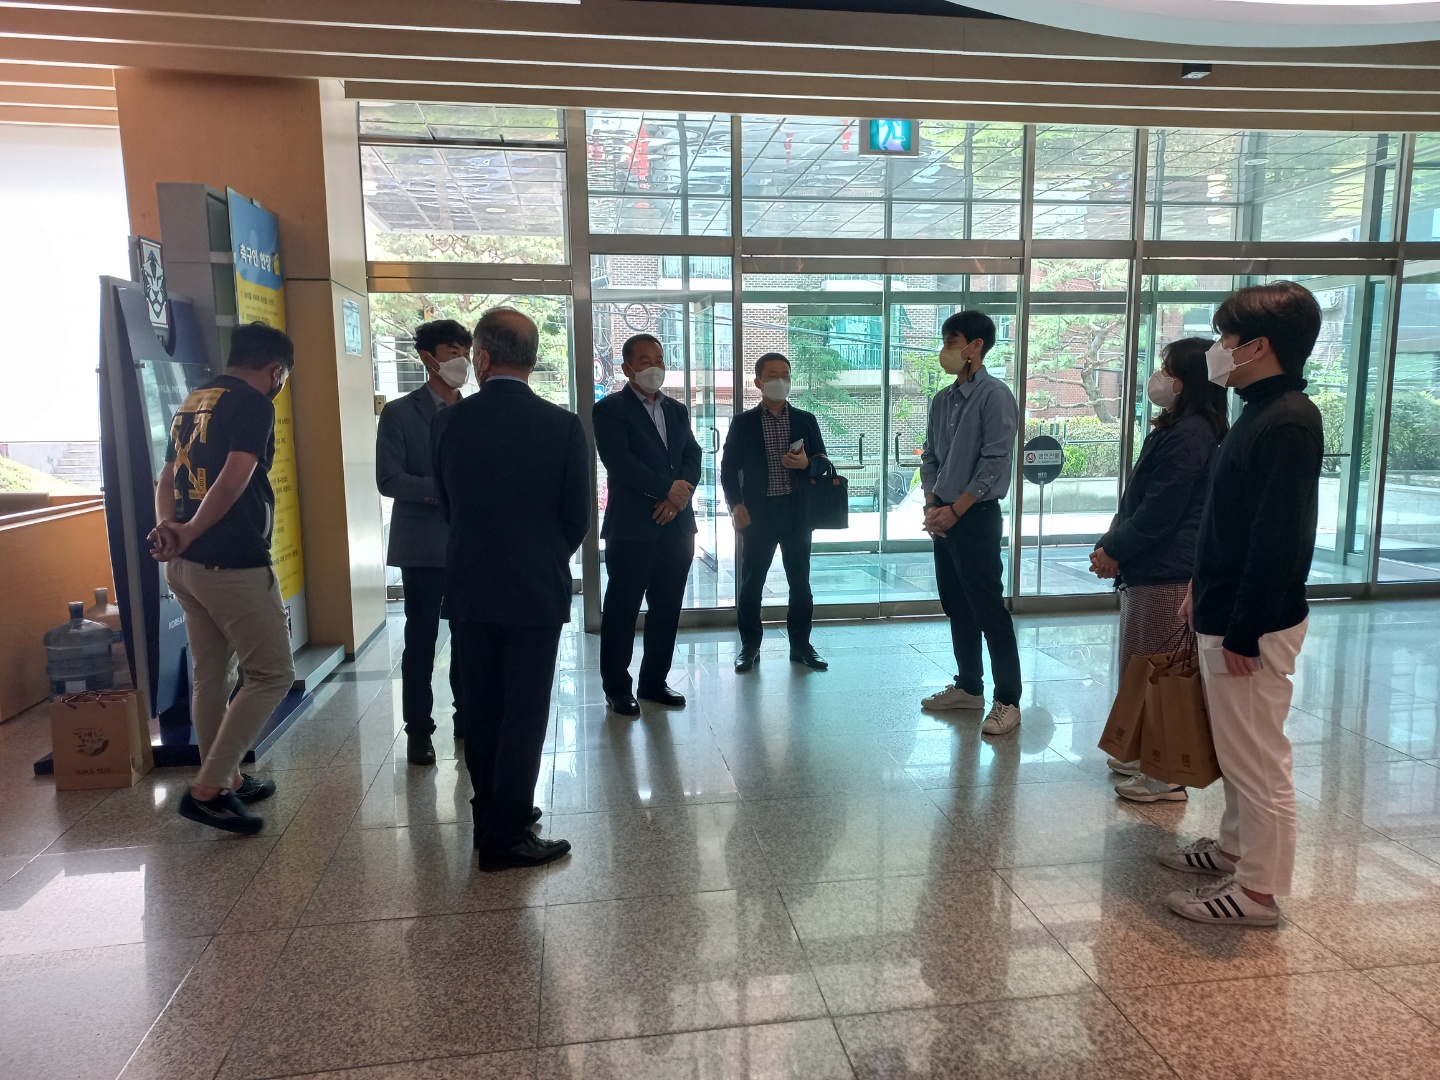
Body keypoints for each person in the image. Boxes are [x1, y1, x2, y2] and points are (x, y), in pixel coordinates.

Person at [1161, 281, 1324, 928]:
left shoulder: (1287, 421)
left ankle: (1257, 892)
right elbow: (1230, 521)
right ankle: (1233, 849)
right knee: (1238, 750)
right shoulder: (1258, 410)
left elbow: (1280, 540)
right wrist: (1199, 591)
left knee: (1257, 759)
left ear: (1258, 346)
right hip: (1224, 607)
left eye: (1226, 338)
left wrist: (1243, 631)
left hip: (1249, 624)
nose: (1218, 349)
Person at [433, 307, 590, 870]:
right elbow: (577, 517)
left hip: (470, 584)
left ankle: (490, 817)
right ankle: (508, 833)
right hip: (534, 588)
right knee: (524, 709)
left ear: (482, 356)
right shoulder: (563, 426)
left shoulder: (448, 422)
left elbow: (448, 505)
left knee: (480, 706)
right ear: (532, 359)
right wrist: (542, 555)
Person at [150, 322, 296, 835]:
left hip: (185, 568)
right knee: (272, 674)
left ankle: (226, 777)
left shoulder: (195, 400)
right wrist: (191, 530)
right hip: (231, 562)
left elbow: (166, 476)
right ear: (275, 371)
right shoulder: (255, 403)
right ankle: (209, 788)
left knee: (212, 676)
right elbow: (234, 478)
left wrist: (170, 529)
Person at [1092, 337, 1229, 803]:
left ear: (1188, 380)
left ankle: (1166, 774)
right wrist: (1110, 545)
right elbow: (1138, 500)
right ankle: (1143, 754)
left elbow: (1160, 511)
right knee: (1140, 666)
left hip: (1168, 570)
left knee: (1159, 671)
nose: (1159, 378)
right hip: (1148, 566)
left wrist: (1114, 549)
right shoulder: (1177, 427)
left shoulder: (1192, 433)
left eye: (1168, 370)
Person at [918, 311, 1023, 736]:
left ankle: (1008, 700)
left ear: (975, 346)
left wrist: (956, 509)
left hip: (975, 515)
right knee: (956, 604)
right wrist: (932, 504)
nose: (946, 349)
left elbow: (994, 461)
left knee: (988, 608)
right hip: (942, 515)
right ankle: (969, 687)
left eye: (952, 340)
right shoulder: (942, 400)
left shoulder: (994, 395)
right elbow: (930, 456)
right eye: (945, 340)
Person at [376, 319, 473, 767]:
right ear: (427, 358)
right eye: (452, 352)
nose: (461, 362)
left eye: (465, 353)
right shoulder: (400, 412)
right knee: (421, 640)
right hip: (421, 545)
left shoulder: (475, 410)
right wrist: (446, 488)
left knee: (469, 637)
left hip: (469, 543)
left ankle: (467, 718)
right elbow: (390, 479)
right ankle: (419, 730)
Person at [593, 333, 703, 717]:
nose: (654, 367)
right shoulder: (610, 409)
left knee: (667, 608)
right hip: (631, 529)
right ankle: (617, 688)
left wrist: (679, 496)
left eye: (659, 359)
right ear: (627, 368)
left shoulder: (677, 410)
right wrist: (666, 489)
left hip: (677, 527)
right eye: (644, 361)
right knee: (622, 610)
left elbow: (692, 455)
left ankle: (654, 681)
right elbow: (619, 462)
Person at [722, 352, 830, 673]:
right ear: (758, 382)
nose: (780, 380)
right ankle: (750, 646)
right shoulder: (743, 423)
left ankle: (801, 646)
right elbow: (728, 469)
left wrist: (807, 463)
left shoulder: (805, 420)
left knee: (800, 583)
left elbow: (823, 463)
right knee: (752, 583)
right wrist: (735, 505)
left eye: (785, 374)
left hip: (797, 513)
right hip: (758, 514)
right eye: (772, 375)